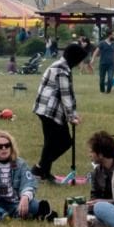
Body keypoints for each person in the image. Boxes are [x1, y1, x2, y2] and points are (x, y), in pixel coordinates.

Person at [31, 42, 88, 181]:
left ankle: (44, 172)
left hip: (45, 109)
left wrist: (72, 113)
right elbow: (65, 94)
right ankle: (39, 168)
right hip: (50, 110)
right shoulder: (62, 69)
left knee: (50, 142)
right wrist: (71, 116)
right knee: (64, 142)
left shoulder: (60, 65)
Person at [73, 131, 114, 227]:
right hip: (104, 211)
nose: (89, 155)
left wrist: (103, 202)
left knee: (99, 207)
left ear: (100, 155)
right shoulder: (96, 173)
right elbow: (94, 198)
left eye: (91, 152)